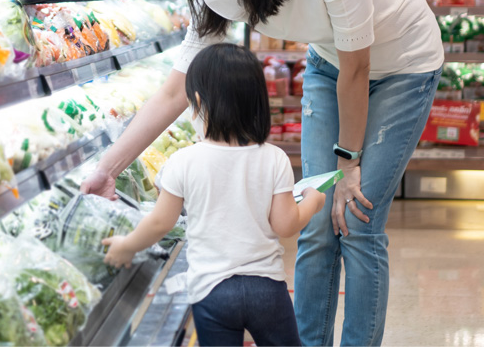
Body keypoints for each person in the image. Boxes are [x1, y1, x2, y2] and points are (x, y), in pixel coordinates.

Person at [83, 0, 443, 346]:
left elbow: (359, 68)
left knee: (357, 218)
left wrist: (348, 166)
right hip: (330, 62)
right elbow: (176, 91)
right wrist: (109, 168)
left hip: (404, 64)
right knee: (315, 225)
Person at [101, 44, 326, 346]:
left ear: (196, 102)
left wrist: (127, 246)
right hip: (267, 289)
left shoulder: (182, 161)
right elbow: (285, 225)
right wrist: (312, 200)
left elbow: (160, 223)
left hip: (211, 291)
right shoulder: (274, 158)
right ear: (258, 103)